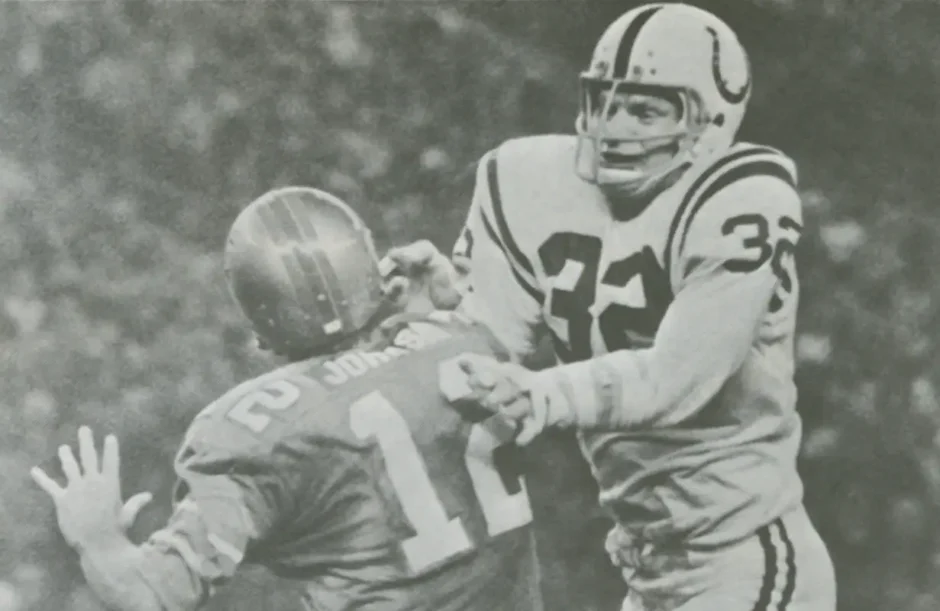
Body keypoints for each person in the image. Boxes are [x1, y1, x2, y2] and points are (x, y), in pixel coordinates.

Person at [386, 3, 837, 610]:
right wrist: (437, 318)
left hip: (744, 557)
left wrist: (544, 395)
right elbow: (489, 357)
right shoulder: (529, 181)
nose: (614, 125)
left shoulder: (741, 200)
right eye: (605, 101)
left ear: (710, 121)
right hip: (648, 567)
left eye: (647, 109)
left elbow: (677, 379)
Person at [31, 187, 543, 611]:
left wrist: (97, 538)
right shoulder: (468, 339)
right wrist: (441, 309)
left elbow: (152, 594)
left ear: (261, 328)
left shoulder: (249, 429)